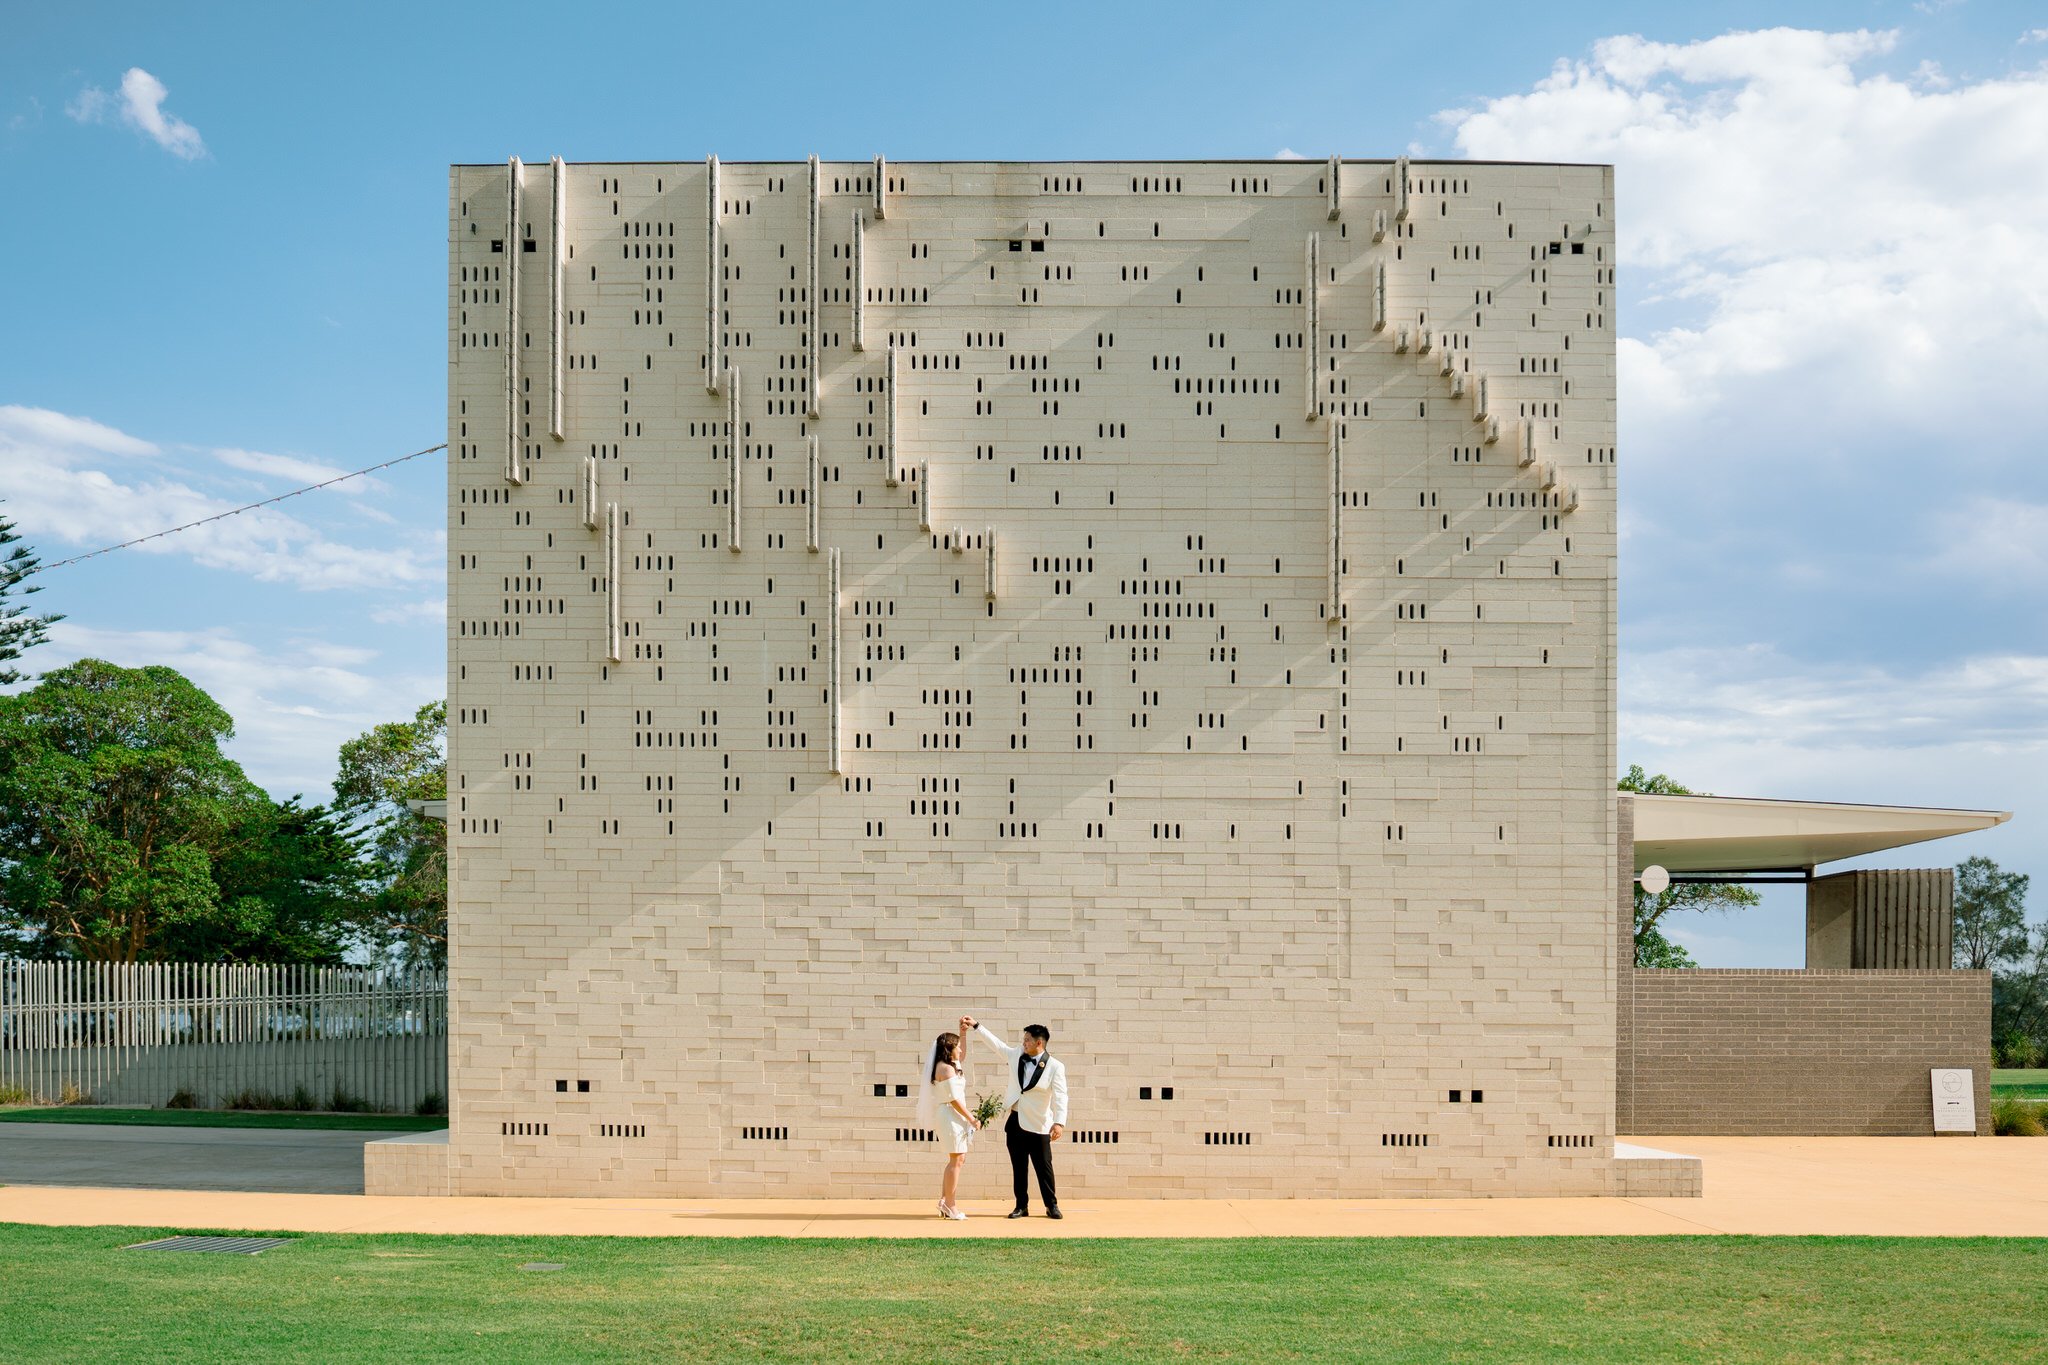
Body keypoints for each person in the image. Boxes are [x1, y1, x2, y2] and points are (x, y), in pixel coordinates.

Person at [962, 1015, 1067, 1219]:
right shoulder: (1017, 1055)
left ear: (1039, 1042)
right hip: (1015, 1122)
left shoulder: (1055, 1066)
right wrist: (977, 1026)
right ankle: (1021, 1206)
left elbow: (1062, 1095)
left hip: (1040, 1125)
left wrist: (1059, 1122)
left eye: (1027, 1039)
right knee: (1019, 1168)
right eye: (1024, 1039)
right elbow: (997, 1046)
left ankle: (1051, 1205)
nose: (1023, 1042)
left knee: (1044, 1168)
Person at [915, 1030, 979, 1219]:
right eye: (957, 1045)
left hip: (954, 1116)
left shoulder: (950, 1065)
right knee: (956, 1159)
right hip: (950, 1115)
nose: (960, 1049)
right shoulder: (946, 1069)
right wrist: (972, 1119)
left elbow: (963, 1055)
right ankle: (950, 1205)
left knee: (958, 1159)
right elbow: (953, 1099)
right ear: (949, 1048)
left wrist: (963, 1033)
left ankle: (945, 1200)